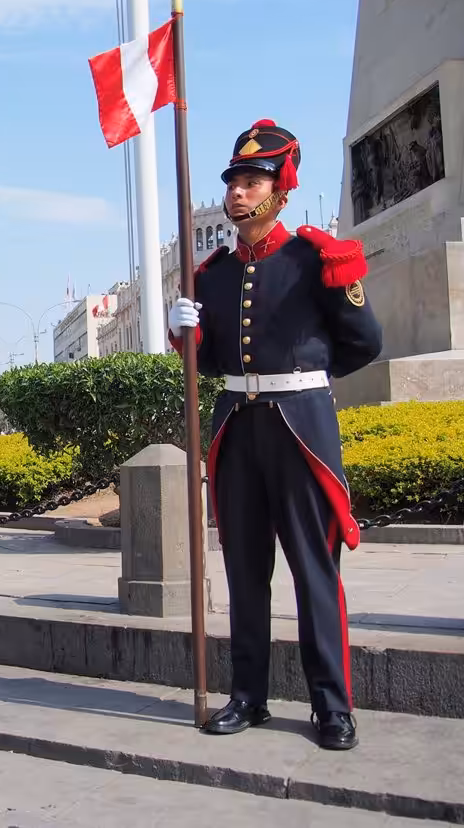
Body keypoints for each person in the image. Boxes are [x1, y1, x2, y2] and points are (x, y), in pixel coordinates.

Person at [168, 119, 383, 752]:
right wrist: (187, 334)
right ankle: (248, 695)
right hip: (240, 429)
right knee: (244, 570)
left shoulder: (316, 257)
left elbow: (365, 341)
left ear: (280, 191)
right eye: (234, 181)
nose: (238, 192)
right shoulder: (211, 274)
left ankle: (331, 706)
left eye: (252, 181)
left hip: (301, 427)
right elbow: (206, 365)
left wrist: (307, 377)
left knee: (314, 569)